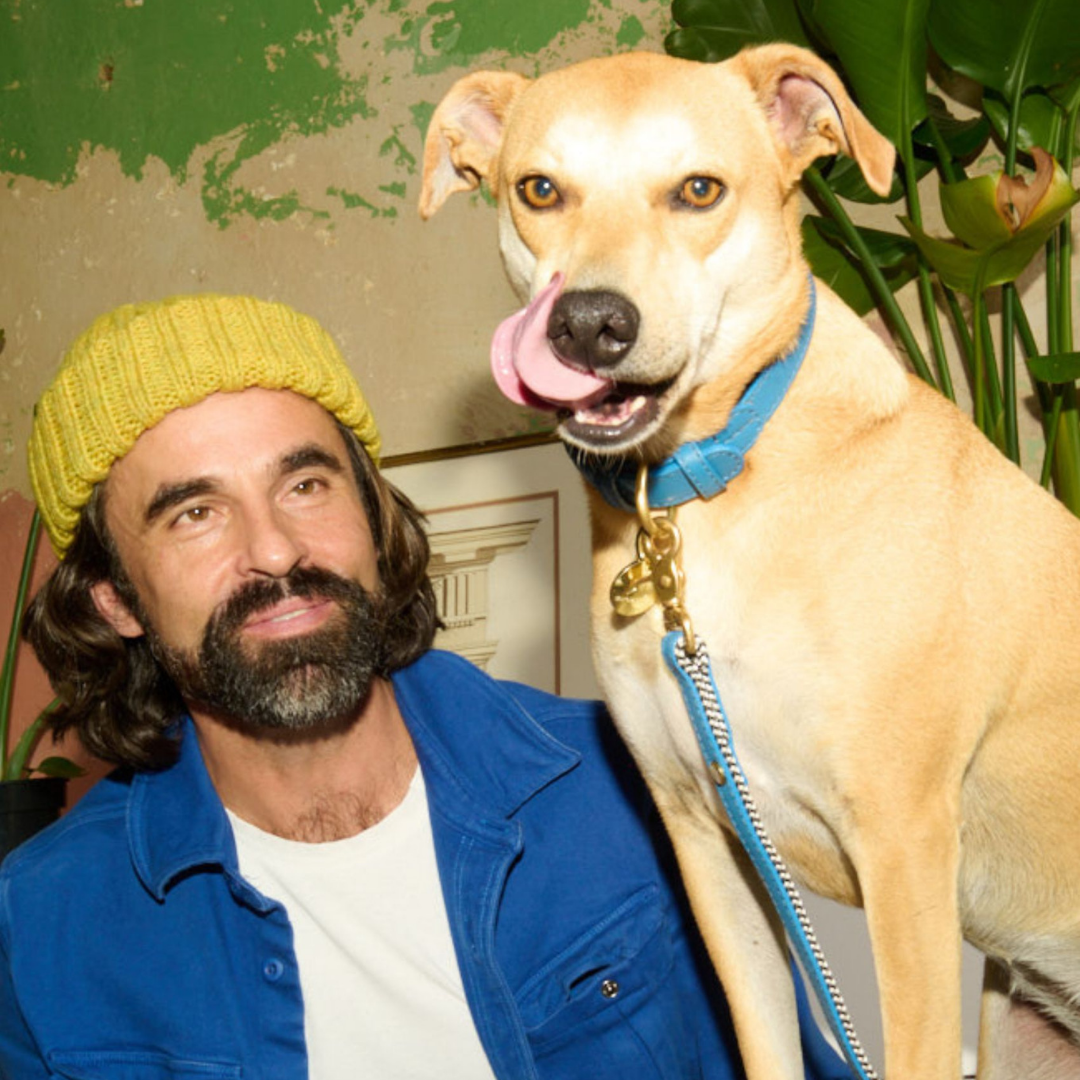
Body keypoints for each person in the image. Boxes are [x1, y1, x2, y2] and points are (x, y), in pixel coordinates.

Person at [0, 293, 849, 1079]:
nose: (276, 549)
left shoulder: (635, 785)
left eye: (305, 484)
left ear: (372, 515)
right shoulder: (39, 925)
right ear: (114, 599)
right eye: (196, 513)